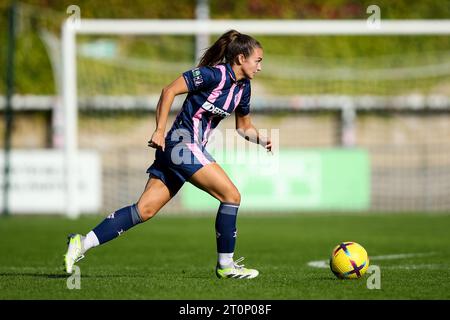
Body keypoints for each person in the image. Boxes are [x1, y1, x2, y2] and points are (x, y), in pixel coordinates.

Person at [64, 29, 272, 279]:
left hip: (181, 149)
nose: (260, 67)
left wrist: (261, 139)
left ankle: (81, 242)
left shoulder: (243, 88)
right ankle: (226, 265)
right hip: (181, 143)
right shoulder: (210, 75)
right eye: (257, 60)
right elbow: (168, 91)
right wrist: (160, 130)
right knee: (231, 195)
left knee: (144, 210)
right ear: (240, 58)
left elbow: (244, 126)